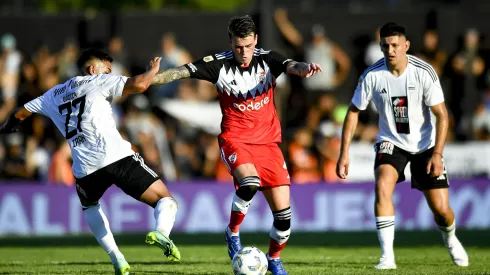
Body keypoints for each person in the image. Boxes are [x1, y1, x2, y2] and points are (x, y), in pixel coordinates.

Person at [150, 15, 322, 275]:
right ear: (230, 41)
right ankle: (232, 232)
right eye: (238, 47)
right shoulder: (218, 65)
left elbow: (292, 65)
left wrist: (304, 68)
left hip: (269, 144)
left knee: (284, 218)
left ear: (256, 41)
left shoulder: (268, 59)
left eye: (249, 46)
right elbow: (181, 72)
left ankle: (274, 259)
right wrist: (150, 78)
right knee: (249, 183)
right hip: (236, 139)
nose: (244, 53)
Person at [0, 49, 181, 275]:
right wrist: (152, 71)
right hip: (116, 156)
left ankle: (117, 259)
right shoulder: (97, 81)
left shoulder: (53, 94)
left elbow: (20, 112)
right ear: (93, 70)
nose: (110, 74)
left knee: (90, 207)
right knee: (166, 200)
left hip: (85, 168)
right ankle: (162, 232)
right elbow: (140, 85)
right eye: (107, 69)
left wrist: (9, 126)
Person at [336, 22, 468, 270]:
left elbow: (442, 114)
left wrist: (437, 154)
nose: (391, 50)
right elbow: (353, 112)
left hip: (425, 144)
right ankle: (388, 257)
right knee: (382, 185)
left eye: (396, 45)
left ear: (406, 45)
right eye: (386, 45)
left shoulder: (423, 72)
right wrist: (344, 153)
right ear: (380, 46)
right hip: (391, 142)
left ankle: (450, 238)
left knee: (441, 210)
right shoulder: (371, 75)